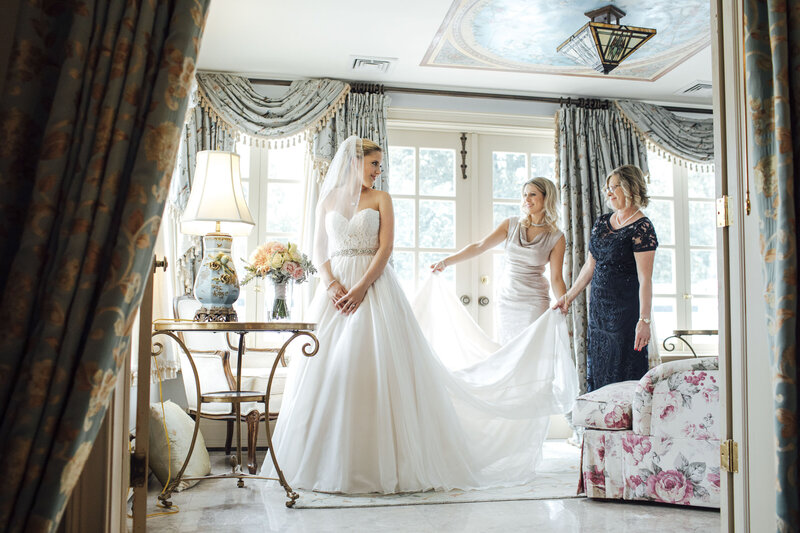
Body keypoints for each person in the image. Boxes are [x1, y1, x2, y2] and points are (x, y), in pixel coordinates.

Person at [260, 136, 577, 494]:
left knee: (380, 366)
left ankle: (382, 463)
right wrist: (331, 283)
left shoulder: (382, 198)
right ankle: (322, 460)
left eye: (380, 165)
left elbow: (386, 248)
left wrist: (362, 286)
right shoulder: (329, 198)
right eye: (374, 164)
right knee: (331, 368)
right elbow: (319, 249)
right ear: (354, 162)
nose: (379, 171)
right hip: (334, 292)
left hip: (374, 287)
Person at [553, 165, 658, 391]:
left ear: (630, 187)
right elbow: (589, 266)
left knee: (622, 372)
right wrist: (568, 297)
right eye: (607, 188)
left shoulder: (642, 227)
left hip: (625, 315)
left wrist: (644, 320)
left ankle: (625, 424)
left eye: (614, 187)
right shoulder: (602, 223)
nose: (608, 193)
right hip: (599, 312)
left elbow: (645, 279)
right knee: (600, 369)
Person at [431, 177, 566, 344]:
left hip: (534, 301)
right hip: (507, 299)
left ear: (547, 198)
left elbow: (557, 278)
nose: (527, 199)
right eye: (524, 195)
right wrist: (445, 262)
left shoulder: (556, 237)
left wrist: (564, 305)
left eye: (532, 194)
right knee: (508, 349)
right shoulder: (511, 224)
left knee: (530, 350)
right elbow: (480, 246)